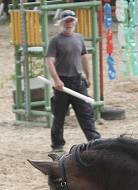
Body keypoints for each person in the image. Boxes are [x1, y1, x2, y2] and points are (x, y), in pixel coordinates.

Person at [45, 9, 101, 155]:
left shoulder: (79, 38)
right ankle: (57, 144)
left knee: (85, 113)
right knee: (59, 115)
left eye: (71, 21)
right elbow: (50, 61)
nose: (68, 24)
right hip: (62, 84)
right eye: (66, 21)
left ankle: (94, 141)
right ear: (61, 23)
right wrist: (56, 80)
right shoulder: (55, 41)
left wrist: (88, 77)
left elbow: (84, 58)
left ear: (74, 22)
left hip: (78, 82)